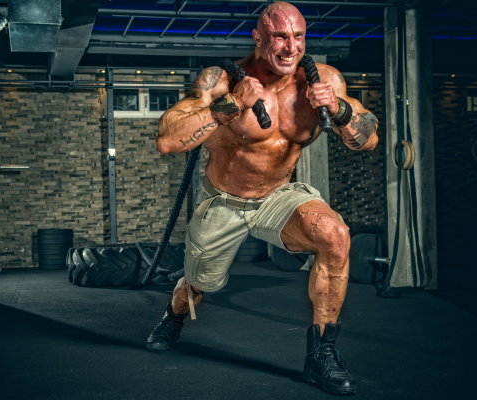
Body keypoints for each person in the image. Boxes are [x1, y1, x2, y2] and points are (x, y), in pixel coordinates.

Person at [146, 1, 378, 395]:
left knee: (335, 236)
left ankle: (321, 354)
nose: (291, 47)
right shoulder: (221, 80)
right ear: (257, 37)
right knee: (200, 283)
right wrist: (231, 105)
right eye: (280, 37)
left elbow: (368, 140)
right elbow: (168, 140)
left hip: (279, 196)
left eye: (298, 36)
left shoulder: (324, 80)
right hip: (223, 200)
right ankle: (173, 315)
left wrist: (338, 109)